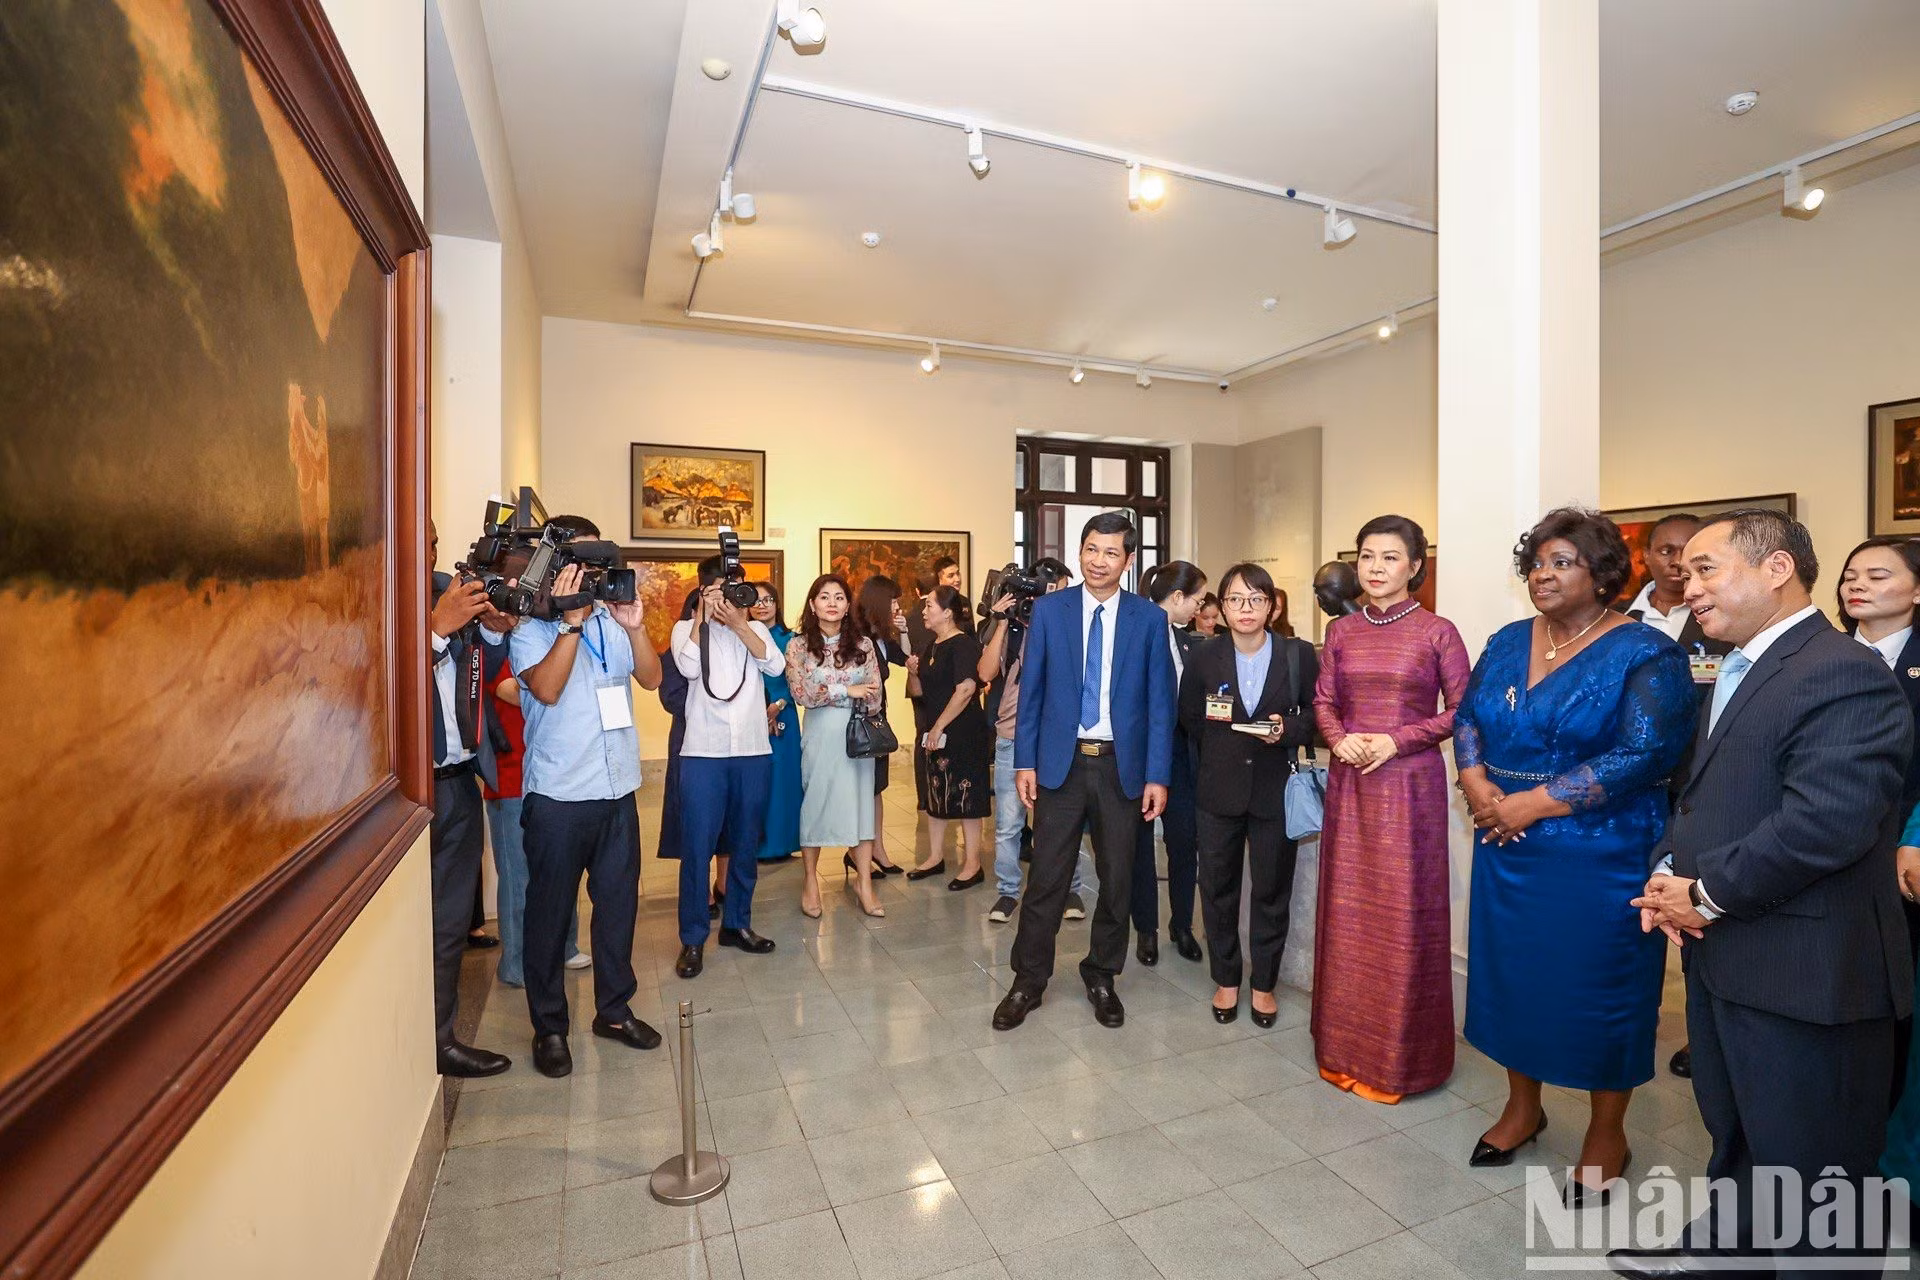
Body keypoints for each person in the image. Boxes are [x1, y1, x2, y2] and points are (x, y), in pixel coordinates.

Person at [1616, 510, 1911, 1279]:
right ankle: (1726, 1259)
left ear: (1777, 569)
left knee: (1818, 1178)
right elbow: (1708, 795)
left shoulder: (1839, 669)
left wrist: (1704, 894)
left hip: (1808, 971)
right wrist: (1667, 870)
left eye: (1709, 568)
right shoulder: (1743, 663)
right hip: (1736, 956)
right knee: (1742, 1139)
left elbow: (1828, 823)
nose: (1689, 583)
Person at [1453, 509, 1696, 1205]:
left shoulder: (1646, 652)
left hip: (1601, 850)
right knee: (1514, 980)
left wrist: (1529, 804)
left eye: (1562, 562)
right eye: (1536, 562)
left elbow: (1645, 754)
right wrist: (1477, 785)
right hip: (1506, 844)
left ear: (1604, 574)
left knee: (1601, 992)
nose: (1543, 575)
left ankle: (1606, 1133)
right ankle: (1523, 1109)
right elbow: (1468, 716)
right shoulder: (1506, 639)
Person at [993, 512, 1175, 1033]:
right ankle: (1028, 979)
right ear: (1081, 550)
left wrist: (1157, 776)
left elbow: (1160, 705)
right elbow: (1032, 693)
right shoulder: (1050, 611)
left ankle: (1101, 973)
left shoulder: (1148, 619)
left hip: (1124, 768)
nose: (1098, 560)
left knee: (1118, 879)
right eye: (1091, 549)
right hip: (1061, 765)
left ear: (1128, 560)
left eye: (1110, 552)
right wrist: (1024, 761)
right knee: (1047, 877)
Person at [1311, 514, 1469, 1104]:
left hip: (1409, 787)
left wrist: (1395, 740)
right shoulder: (1343, 633)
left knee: (1403, 916)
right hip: (1351, 781)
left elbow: (1463, 711)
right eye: (1367, 557)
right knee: (1349, 912)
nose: (1375, 568)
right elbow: (1324, 700)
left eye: (1389, 558)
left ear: (1415, 567)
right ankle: (1344, 1048)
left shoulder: (1437, 631)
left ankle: (1402, 1060)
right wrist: (1338, 737)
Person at [510, 518, 665, 1078]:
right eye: (579, 564)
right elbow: (546, 689)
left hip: (617, 789)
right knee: (550, 918)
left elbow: (649, 680)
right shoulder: (530, 627)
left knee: (619, 910)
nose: (591, 575)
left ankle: (614, 1011)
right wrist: (570, 624)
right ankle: (550, 1027)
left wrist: (638, 627)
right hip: (558, 796)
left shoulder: (613, 621)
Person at [1620, 512, 1732, 1082]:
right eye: (1665, 552)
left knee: (1693, 910)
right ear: (1646, 557)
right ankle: (1630, 1017)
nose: (1675, 564)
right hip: (1628, 789)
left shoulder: (1720, 619)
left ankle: (1700, 1030)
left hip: (1695, 783)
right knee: (1634, 911)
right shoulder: (1618, 618)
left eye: (1688, 554)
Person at [1180, 563, 1317, 1028]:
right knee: (1216, 890)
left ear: (1271, 606)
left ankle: (1263, 984)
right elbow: (1190, 720)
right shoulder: (1203, 657)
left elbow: (1318, 718)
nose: (1245, 609)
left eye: (1255, 599)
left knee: (1271, 890)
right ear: (1221, 606)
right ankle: (1227, 979)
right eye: (1235, 599)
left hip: (1274, 793)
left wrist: (1286, 729)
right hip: (1217, 792)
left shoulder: (1298, 655)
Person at [666, 558, 788, 980]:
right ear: (704, 591)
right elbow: (686, 668)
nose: (730, 598)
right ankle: (693, 937)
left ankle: (737, 923)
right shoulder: (686, 629)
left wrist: (739, 624)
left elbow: (775, 666)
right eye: (722, 590)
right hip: (703, 753)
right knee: (697, 847)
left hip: (753, 751)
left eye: (737, 589)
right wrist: (702, 616)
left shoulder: (753, 630)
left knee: (745, 844)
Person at [426, 519, 515, 1078]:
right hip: (406, 791)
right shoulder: (369, 602)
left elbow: (481, 667)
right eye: (420, 539)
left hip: (459, 781)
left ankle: (441, 1039)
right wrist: (435, 633)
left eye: (433, 540)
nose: (430, 550)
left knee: (449, 921)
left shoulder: (446, 592)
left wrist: (497, 629)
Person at [1836, 538, 1920, 1110]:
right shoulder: (1823, 659)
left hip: (1903, 855)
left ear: (1917, 590)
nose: (1857, 585)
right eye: (1849, 575)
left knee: (1899, 992)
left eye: (1878, 575)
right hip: (1830, 849)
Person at [978, 559, 1088, 925]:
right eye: (1051, 589)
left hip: (1058, 737)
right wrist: (1001, 621)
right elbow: (984, 673)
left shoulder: (1069, 626)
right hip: (1012, 735)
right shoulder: (1010, 628)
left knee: (1059, 821)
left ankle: (1070, 887)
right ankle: (1007, 893)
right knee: (1009, 823)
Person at [484, 664, 591, 987]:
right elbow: (512, 692)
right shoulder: (497, 651)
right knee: (518, 877)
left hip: (554, 781)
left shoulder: (554, 645)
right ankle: (515, 963)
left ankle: (565, 947)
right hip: (511, 782)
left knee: (562, 869)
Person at [787, 575, 886, 919]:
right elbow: (802, 694)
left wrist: (836, 690)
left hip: (857, 738)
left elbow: (875, 695)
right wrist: (848, 690)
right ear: (813, 605)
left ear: (847, 606)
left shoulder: (863, 645)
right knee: (815, 804)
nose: (832, 602)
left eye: (839, 597)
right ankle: (810, 880)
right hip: (820, 736)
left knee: (861, 809)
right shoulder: (798, 646)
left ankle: (864, 883)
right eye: (824, 596)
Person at [1133, 561, 1208, 965]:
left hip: (1180, 754)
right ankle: (1146, 928)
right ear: (1177, 597)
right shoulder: (1135, 633)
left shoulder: (1187, 642)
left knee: (1183, 842)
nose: (1200, 607)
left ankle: (1182, 925)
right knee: (1140, 847)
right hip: (1140, 755)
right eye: (1197, 599)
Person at [907, 586, 991, 889]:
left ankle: (973, 864)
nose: (924, 611)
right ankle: (935, 857)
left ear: (947, 612)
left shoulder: (964, 645)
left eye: (929, 606)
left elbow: (966, 689)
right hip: (936, 732)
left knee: (967, 796)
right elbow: (920, 693)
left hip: (963, 731)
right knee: (936, 792)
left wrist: (939, 726)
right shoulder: (932, 646)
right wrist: (913, 672)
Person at [856, 574, 909, 876]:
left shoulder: (882, 635)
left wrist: (902, 633)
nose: (898, 608)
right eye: (894, 603)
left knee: (876, 788)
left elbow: (906, 659)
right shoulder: (856, 635)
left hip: (878, 720)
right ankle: (857, 851)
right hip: (858, 722)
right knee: (860, 789)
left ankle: (878, 849)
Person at [750, 583, 804, 863]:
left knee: (783, 781)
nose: (762, 605)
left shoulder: (792, 639)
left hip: (784, 716)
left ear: (777, 604)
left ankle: (783, 842)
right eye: (756, 600)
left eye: (768, 599)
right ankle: (755, 844)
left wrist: (777, 706)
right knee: (756, 782)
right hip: (749, 717)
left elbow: (798, 684)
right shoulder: (742, 635)